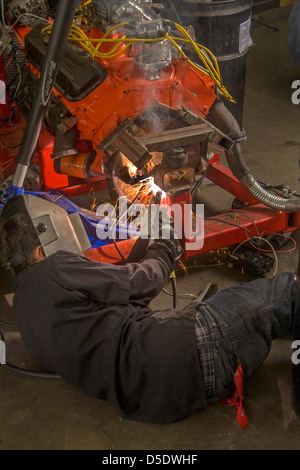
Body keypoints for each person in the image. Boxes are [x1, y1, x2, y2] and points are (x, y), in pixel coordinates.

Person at [0, 193, 297, 427]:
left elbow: (119, 303)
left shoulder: (23, 308)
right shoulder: (53, 268)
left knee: (275, 311)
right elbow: (146, 280)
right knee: (287, 289)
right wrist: (166, 246)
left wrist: (148, 240)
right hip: (195, 346)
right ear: (41, 248)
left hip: (169, 397)